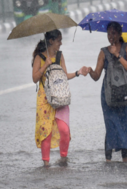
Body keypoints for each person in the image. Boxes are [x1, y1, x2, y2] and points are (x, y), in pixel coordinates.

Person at [82, 22, 127, 162]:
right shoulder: (103, 52)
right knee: (111, 126)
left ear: (120, 33)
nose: (111, 36)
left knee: (126, 125)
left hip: (125, 92)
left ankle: (125, 160)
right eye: (109, 33)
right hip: (109, 95)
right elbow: (97, 76)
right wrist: (90, 71)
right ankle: (108, 161)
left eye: (114, 33)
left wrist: (118, 55)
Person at [32, 29, 87, 167]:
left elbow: (64, 75)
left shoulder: (60, 56)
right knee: (46, 132)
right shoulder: (39, 58)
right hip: (44, 99)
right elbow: (34, 78)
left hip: (60, 97)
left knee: (64, 130)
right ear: (51, 41)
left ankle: (63, 160)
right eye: (59, 41)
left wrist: (77, 72)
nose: (61, 44)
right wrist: (46, 64)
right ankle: (46, 164)